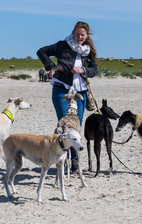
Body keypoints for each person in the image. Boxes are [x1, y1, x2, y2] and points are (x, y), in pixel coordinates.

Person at [37, 21, 98, 171]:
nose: (79, 37)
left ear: (86, 35)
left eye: (82, 35)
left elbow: (94, 69)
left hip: (80, 93)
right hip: (61, 90)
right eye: (77, 34)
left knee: (76, 126)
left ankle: (75, 160)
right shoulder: (63, 45)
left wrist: (83, 70)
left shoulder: (88, 50)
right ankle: (63, 158)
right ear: (73, 33)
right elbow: (41, 51)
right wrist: (52, 66)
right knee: (65, 125)